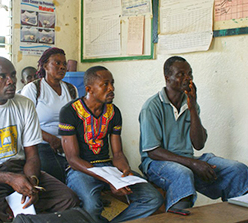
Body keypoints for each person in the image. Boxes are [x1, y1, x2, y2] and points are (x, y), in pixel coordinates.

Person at [0, 56, 79, 223]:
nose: (10, 81)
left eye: (12, 75)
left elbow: (32, 156)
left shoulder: (25, 105)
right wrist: (10, 179)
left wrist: (32, 182)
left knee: (68, 199)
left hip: (21, 168)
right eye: (2, 77)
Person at [139, 56, 248, 212]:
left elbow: (198, 144)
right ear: (167, 78)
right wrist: (193, 164)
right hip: (155, 163)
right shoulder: (152, 106)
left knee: (237, 170)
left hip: (187, 160)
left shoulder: (190, 103)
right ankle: (177, 217)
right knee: (182, 174)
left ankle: (237, 216)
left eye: (190, 74)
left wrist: (192, 109)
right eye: (181, 74)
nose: (187, 78)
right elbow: (153, 151)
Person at [59, 66, 163, 223]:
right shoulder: (69, 112)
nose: (111, 89)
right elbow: (73, 159)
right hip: (80, 170)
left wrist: (125, 170)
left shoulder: (114, 112)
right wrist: (111, 181)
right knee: (92, 206)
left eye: (112, 83)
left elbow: (118, 154)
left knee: (153, 198)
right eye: (105, 84)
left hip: (107, 166)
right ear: (89, 89)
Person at [21, 47, 78, 183]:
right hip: (41, 144)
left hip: (68, 143)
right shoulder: (34, 89)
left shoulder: (71, 89)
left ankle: (84, 195)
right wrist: (51, 139)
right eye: (57, 63)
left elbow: (77, 119)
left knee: (82, 169)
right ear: (45, 65)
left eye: (64, 64)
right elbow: (23, 123)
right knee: (54, 170)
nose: (62, 67)